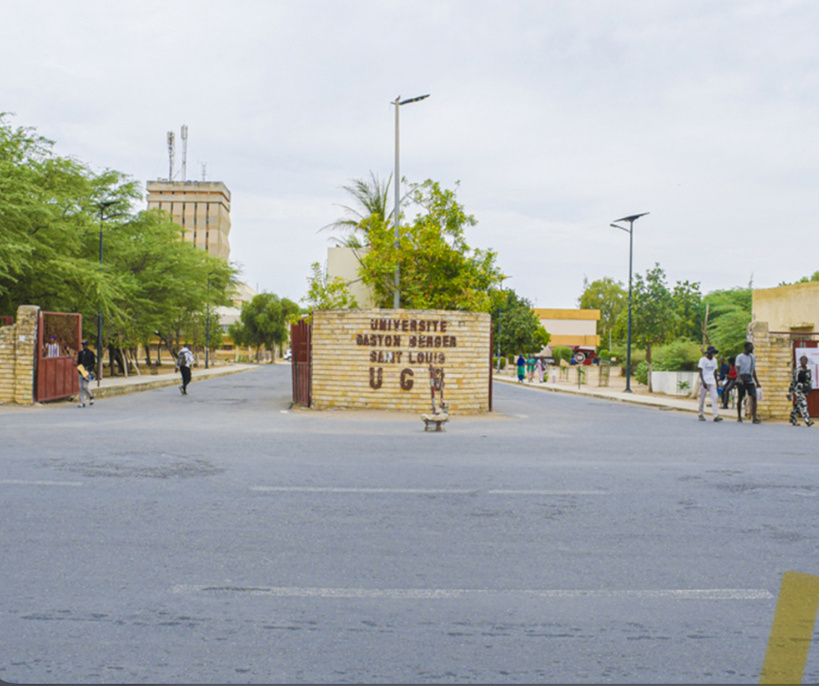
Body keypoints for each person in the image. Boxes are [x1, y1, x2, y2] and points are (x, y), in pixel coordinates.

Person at [736, 340, 762, 424]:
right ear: (746, 348)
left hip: (749, 378)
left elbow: (753, 370)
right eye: (751, 347)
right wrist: (739, 378)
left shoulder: (752, 357)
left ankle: (754, 417)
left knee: (754, 396)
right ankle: (739, 416)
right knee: (740, 397)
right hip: (742, 378)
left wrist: (757, 381)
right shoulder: (740, 357)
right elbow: (737, 368)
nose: (752, 349)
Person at [697, 345, 723, 422]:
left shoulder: (714, 360)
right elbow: (700, 371)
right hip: (704, 382)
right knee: (702, 398)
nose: (712, 354)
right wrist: (703, 381)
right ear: (708, 353)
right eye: (711, 353)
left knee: (715, 398)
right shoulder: (703, 360)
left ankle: (715, 415)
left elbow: (715, 372)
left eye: (713, 353)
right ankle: (700, 414)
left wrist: (717, 382)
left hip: (712, 381)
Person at [788, 354, 814, 427]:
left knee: (798, 405)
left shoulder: (808, 370)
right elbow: (793, 381)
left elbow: (809, 380)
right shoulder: (797, 370)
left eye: (805, 360)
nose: (804, 362)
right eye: (803, 360)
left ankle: (792, 418)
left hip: (804, 390)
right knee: (804, 404)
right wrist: (789, 392)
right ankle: (807, 421)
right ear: (800, 361)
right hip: (798, 389)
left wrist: (809, 388)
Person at [74, 340, 96, 408]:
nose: (84, 346)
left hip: (87, 372)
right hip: (81, 371)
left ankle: (91, 396)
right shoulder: (80, 353)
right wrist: (76, 364)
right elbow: (79, 361)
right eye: (83, 345)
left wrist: (88, 367)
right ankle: (82, 402)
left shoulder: (91, 353)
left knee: (85, 386)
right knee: (81, 387)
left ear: (87, 345)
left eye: (85, 345)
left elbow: (93, 363)